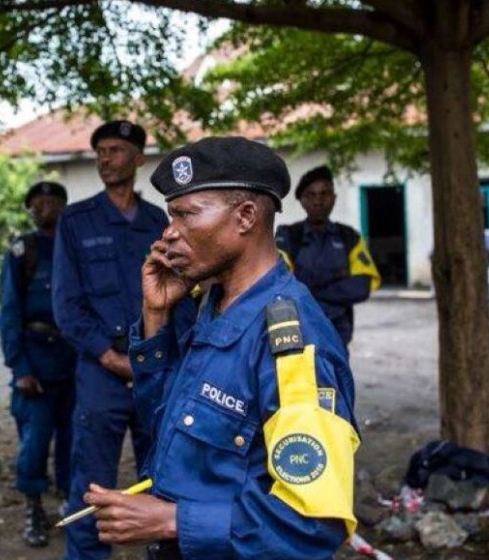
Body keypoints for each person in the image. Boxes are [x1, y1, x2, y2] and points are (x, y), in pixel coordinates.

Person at [84, 137, 361, 559]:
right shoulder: (212, 306)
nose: (169, 232)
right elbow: (168, 424)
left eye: (186, 215)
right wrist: (156, 316)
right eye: (170, 215)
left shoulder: (293, 343)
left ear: (246, 216)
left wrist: (171, 520)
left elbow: (313, 524)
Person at [52, 120, 171, 560]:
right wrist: (109, 356)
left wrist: (156, 361)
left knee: (162, 480)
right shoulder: (75, 221)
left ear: (138, 158)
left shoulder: (158, 222)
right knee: (92, 486)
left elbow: (176, 299)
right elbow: (67, 306)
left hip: (153, 374)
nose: (105, 159)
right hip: (101, 373)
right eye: (100, 151)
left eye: (116, 150)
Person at [0, 181, 77, 548]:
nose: (46, 208)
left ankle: (69, 506)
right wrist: (20, 368)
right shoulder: (22, 250)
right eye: (38, 203)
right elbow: (9, 310)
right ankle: (34, 509)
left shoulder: (75, 247)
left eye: (53, 202)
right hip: (36, 360)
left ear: (63, 206)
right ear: (30, 210)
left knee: (74, 439)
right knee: (34, 441)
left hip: (73, 357)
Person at [275, 165, 380, 347]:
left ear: (334, 198)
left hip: (338, 336)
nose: (318, 201)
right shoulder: (287, 236)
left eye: (324, 194)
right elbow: (282, 285)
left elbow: (361, 287)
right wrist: (336, 276)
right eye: (311, 195)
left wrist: (307, 285)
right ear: (301, 200)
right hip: (299, 335)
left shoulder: (349, 237)